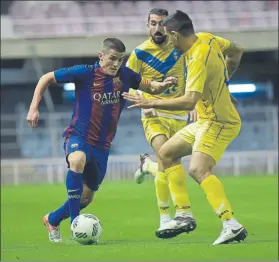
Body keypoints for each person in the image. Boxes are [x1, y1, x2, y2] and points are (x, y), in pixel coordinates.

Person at [26, 37, 177, 243]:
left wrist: (164, 84)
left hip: (102, 147)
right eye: (113, 59)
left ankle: (52, 219)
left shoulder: (126, 75)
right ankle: (75, 223)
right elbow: (46, 77)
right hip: (78, 136)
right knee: (77, 160)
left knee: (86, 199)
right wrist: (34, 107)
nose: (116, 64)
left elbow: (151, 87)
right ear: (101, 56)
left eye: (120, 60)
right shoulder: (85, 72)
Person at [123, 10, 248, 245]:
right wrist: (225, 81)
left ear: (174, 34)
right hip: (204, 121)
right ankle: (183, 215)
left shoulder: (197, 57)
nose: (169, 43)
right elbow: (236, 51)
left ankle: (231, 224)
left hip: (219, 121)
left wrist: (151, 102)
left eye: (170, 38)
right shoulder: (208, 38)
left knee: (198, 170)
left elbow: (189, 101)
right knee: (166, 153)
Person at [126, 8, 197, 239]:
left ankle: (147, 166)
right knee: (169, 157)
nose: (157, 28)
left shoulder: (180, 47)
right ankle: (167, 218)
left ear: (168, 27)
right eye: (153, 23)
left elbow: (195, 76)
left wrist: (196, 103)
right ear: (148, 26)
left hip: (178, 113)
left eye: (160, 24)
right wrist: (143, 98)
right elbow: (127, 82)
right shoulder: (139, 54)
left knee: (165, 165)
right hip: (153, 114)